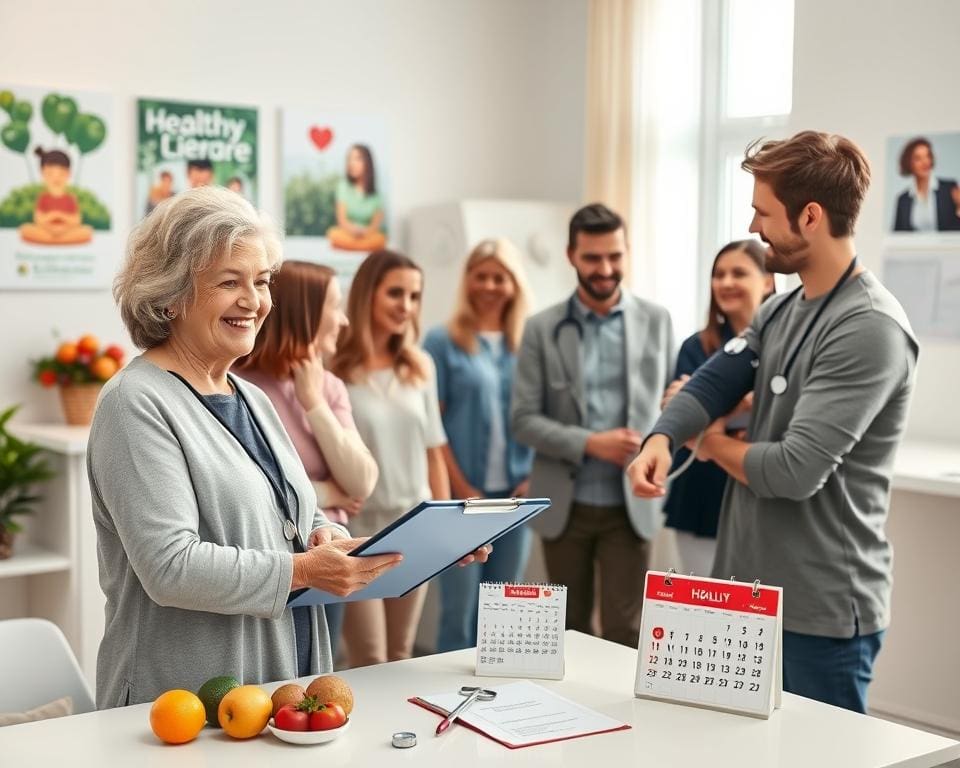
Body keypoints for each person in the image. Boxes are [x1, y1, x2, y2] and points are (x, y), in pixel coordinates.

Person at [628, 131, 919, 713]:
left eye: (764, 212)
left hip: (821, 610)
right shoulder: (781, 309)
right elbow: (713, 380)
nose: (755, 226)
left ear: (810, 217)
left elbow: (793, 470)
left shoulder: (869, 327)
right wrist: (661, 437)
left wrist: (705, 443)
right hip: (749, 596)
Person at [89, 186, 403, 707]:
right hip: (180, 703)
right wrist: (303, 570)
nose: (254, 302)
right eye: (229, 282)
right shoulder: (134, 402)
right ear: (169, 295)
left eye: (260, 282)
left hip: (282, 690)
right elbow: (170, 568)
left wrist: (325, 535)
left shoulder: (251, 397)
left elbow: (288, 520)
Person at [511, 203, 675, 648]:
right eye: (592, 258)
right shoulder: (542, 328)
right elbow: (522, 421)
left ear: (627, 253)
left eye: (614, 257)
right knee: (568, 632)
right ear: (571, 256)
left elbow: (671, 410)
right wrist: (590, 443)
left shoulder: (657, 321)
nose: (605, 269)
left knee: (626, 632)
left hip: (631, 506)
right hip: (566, 506)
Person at [234, 260, 379, 665]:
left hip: (328, 553)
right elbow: (252, 488)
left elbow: (363, 480)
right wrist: (330, 490)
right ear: (304, 313)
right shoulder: (240, 387)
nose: (344, 320)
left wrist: (313, 401)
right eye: (335, 306)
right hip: (269, 564)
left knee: (317, 677)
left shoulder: (327, 387)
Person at [331, 249, 470, 666]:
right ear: (367, 294)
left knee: (402, 654)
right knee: (370, 657)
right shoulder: (333, 368)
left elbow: (434, 453)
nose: (406, 307)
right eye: (395, 294)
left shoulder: (420, 366)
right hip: (360, 532)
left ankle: (400, 733)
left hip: (415, 526)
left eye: (414, 296)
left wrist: (449, 529)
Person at [424, 238, 535, 652]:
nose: (489, 285)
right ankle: (446, 698)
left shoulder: (528, 342)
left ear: (514, 284)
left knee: (503, 610)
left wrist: (533, 473)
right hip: (462, 500)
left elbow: (540, 416)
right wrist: (461, 485)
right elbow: (432, 427)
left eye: (499, 277)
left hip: (514, 499)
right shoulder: (441, 341)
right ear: (468, 281)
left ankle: (496, 702)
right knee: (459, 611)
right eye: (481, 275)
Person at [662, 239, 773, 577]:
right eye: (718, 274)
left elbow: (782, 419)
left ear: (767, 281)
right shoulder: (696, 347)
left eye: (738, 273)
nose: (725, 282)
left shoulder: (783, 347)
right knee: (699, 613)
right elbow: (679, 419)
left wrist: (714, 412)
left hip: (763, 496)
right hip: (699, 500)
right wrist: (741, 404)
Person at [19, 147, 93, 245]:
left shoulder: (70, 198)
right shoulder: (43, 198)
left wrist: (61, 217)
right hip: (46, 230)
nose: (56, 178)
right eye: (50, 174)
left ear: (68, 174)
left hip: (66, 231)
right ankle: (57, 240)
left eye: (61, 174)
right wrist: (51, 217)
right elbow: (38, 219)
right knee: (26, 229)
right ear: (43, 174)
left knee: (86, 231)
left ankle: (53, 240)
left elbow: (76, 220)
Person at [325, 144, 387, 252]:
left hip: (367, 236)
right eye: (349, 159)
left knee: (380, 238)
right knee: (333, 233)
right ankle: (358, 246)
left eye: (357, 159)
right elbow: (342, 220)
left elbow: (374, 226)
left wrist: (364, 232)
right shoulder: (343, 187)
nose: (352, 163)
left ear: (367, 163)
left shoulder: (377, 196)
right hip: (347, 233)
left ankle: (354, 246)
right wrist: (354, 230)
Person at [893, 137, 960, 231]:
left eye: (927, 156)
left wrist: (959, 209)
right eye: (918, 158)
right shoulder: (903, 200)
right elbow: (897, 236)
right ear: (909, 163)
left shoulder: (949, 189)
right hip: (913, 246)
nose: (925, 162)